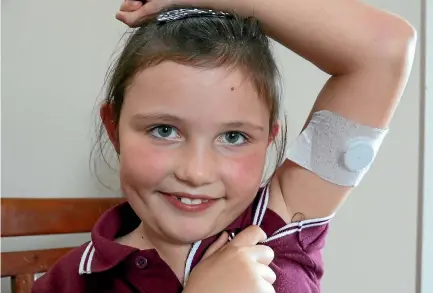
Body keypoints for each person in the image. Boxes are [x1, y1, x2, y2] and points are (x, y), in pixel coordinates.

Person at [32, 0, 416, 292]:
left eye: (233, 137)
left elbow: (385, 50)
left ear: (268, 139)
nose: (195, 172)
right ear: (114, 130)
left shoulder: (280, 226)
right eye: (164, 130)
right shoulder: (68, 281)